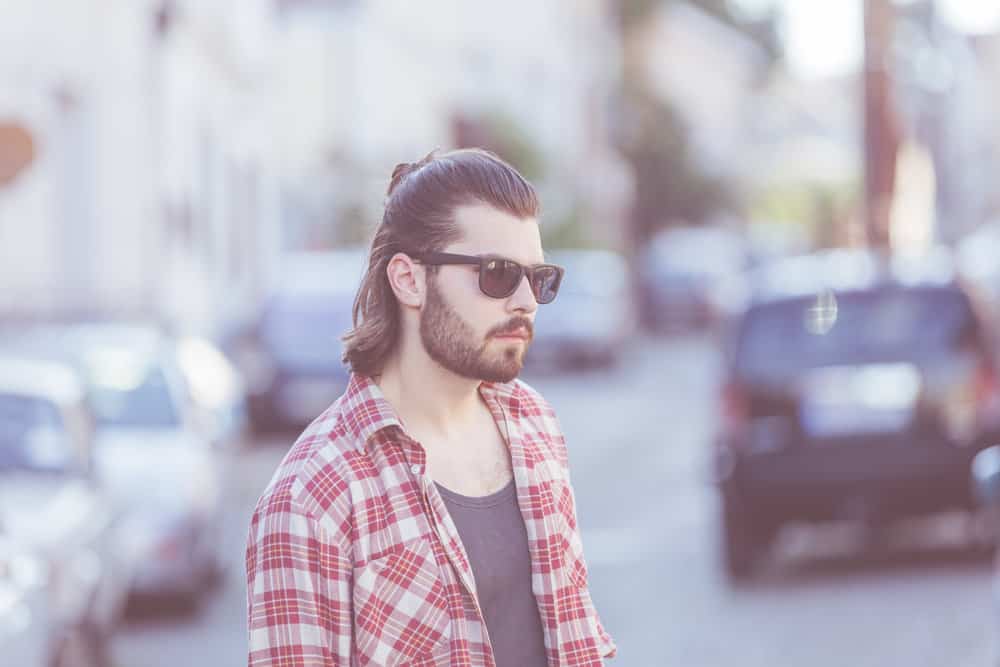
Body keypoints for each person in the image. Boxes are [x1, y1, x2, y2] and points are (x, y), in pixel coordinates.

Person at [246, 148, 616, 666]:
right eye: (497, 274)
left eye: (539, 279)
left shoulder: (534, 425)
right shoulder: (312, 499)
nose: (526, 301)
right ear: (409, 279)